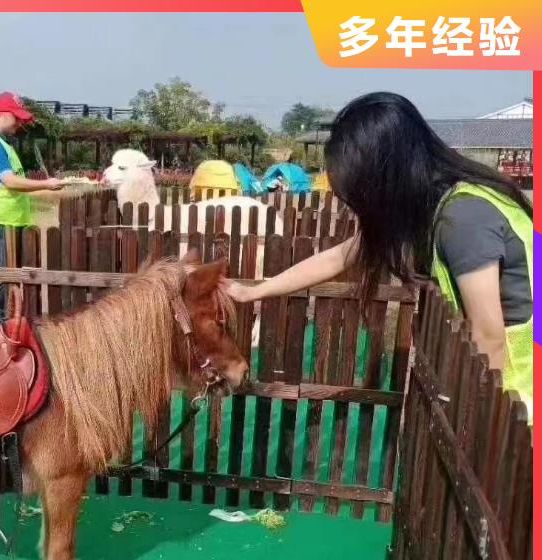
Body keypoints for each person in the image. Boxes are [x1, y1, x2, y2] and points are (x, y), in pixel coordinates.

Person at [225, 92, 533, 421]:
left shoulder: (464, 218)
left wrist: (475, 420)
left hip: (522, 401)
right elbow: (338, 257)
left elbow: (489, 336)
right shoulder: (428, 208)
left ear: (385, 177)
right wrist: (253, 291)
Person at [0, 92, 63, 308]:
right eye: (16, 117)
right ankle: (1, 322)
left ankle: (11, 320)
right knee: (4, 282)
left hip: (11, 223)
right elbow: (10, 181)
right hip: (0, 224)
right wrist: (47, 184)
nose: (19, 123)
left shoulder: (1, 143)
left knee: (14, 280)